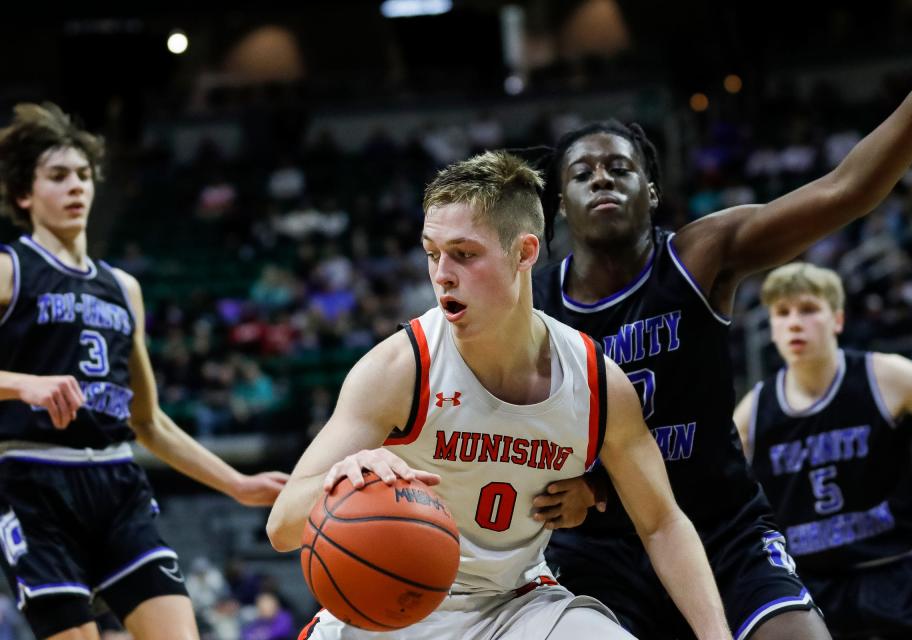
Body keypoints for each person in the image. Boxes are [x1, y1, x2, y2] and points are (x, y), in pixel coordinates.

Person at [528, 13, 912, 640]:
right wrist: (577, 486)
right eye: (582, 172)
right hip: (601, 546)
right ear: (560, 205)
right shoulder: (533, 302)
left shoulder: (701, 256)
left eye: (619, 168)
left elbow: (844, 191)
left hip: (721, 527)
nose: (601, 177)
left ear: (650, 192)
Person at [266, 151, 732, 640]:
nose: (442, 274)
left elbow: (662, 523)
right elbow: (282, 528)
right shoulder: (400, 370)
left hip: (515, 606)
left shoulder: (596, 382)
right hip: (386, 610)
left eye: (464, 254)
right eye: (432, 252)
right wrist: (338, 483)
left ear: (525, 253)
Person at [0, 102, 289, 640]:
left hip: (115, 483)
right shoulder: (10, 269)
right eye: (58, 176)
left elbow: (150, 422)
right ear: (24, 194)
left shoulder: (123, 289)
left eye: (83, 176)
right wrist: (22, 384)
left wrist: (238, 483)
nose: (76, 187)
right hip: (34, 482)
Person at [733, 262, 912, 638]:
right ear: (771, 328)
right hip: (814, 587)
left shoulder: (885, 376)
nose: (794, 323)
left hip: (902, 570)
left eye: (808, 310)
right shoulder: (754, 411)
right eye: (782, 313)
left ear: (837, 320)